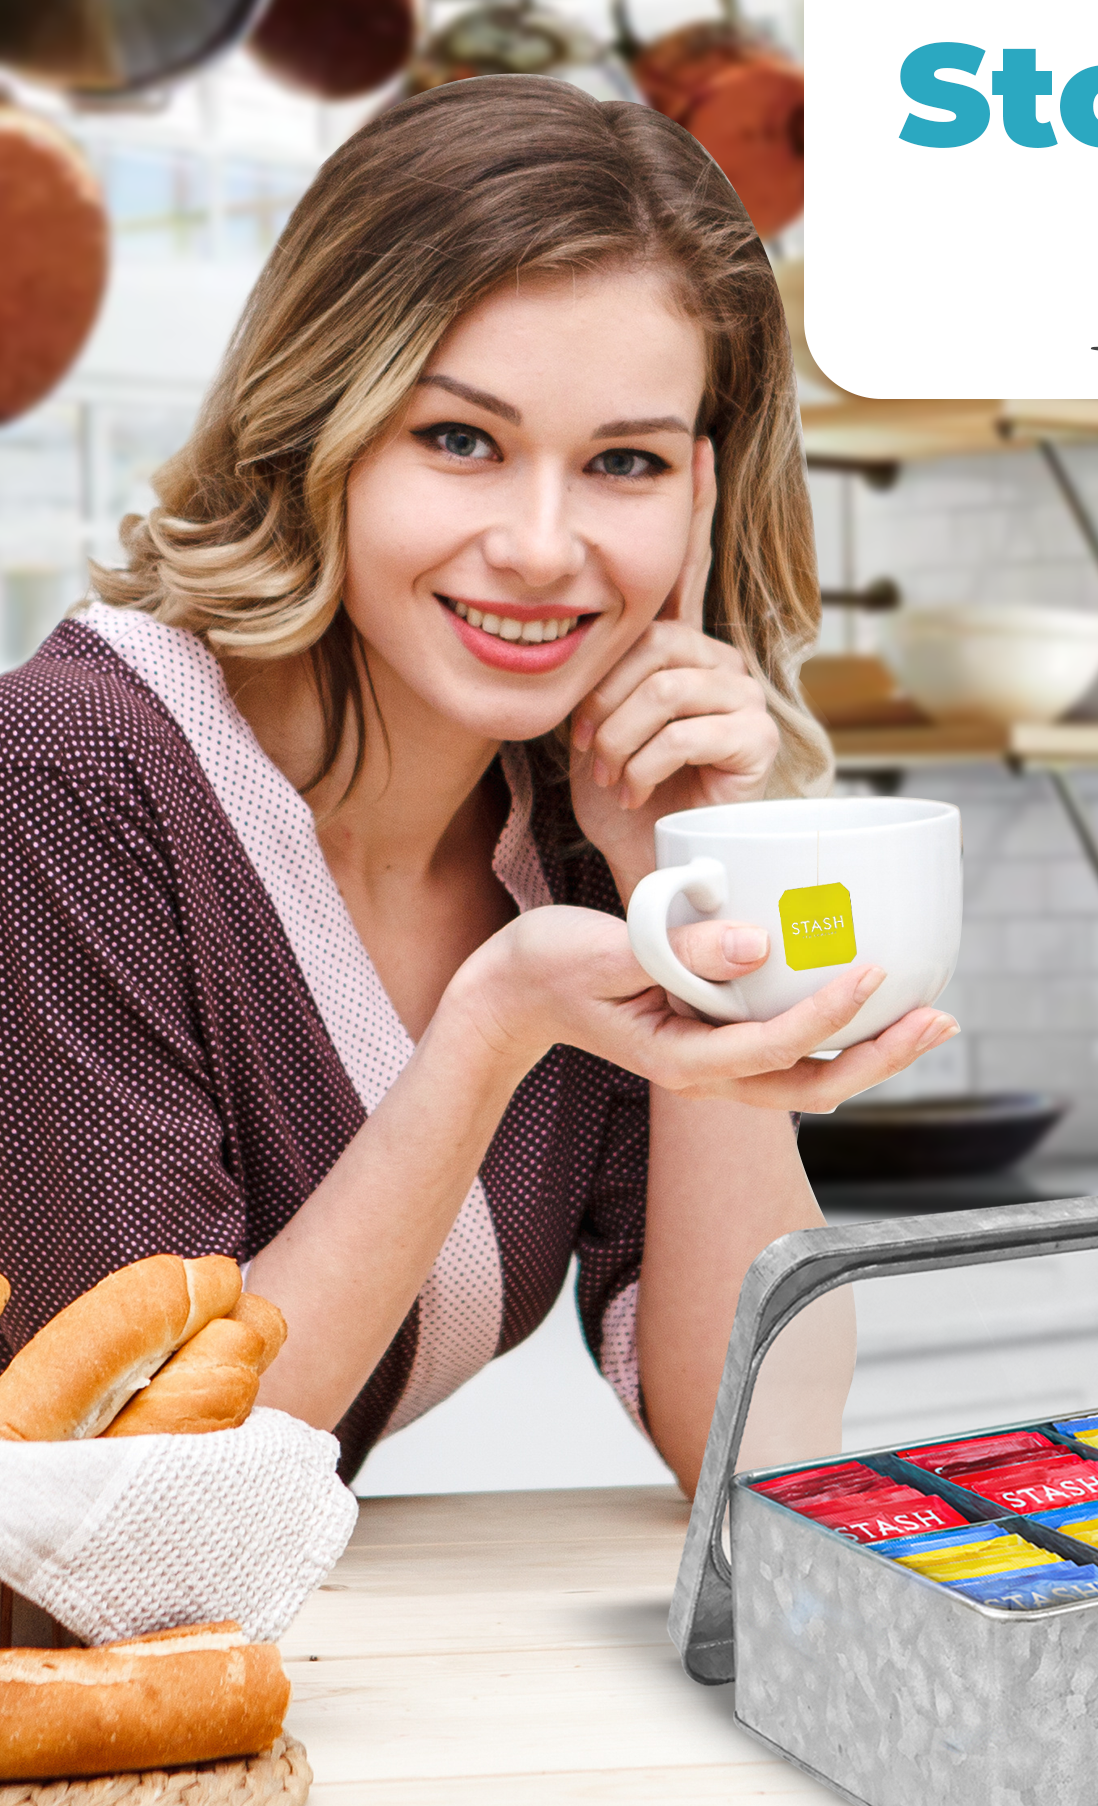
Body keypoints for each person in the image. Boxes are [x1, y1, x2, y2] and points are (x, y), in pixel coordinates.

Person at [0, 77, 955, 1487]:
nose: (541, 544)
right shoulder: (70, 775)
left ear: (701, 495)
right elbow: (128, 1484)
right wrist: (488, 1030)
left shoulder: (583, 832)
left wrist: (690, 882)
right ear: (319, 421)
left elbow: (758, 1439)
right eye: (461, 440)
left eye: (623, 462)